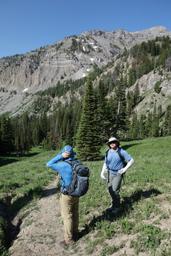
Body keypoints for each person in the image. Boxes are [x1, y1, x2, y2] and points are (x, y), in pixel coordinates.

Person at [46, 145, 79, 246]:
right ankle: (76, 233)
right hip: (77, 193)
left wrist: (60, 156)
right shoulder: (77, 163)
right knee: (75, 213)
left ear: (64, 154)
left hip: (67, 194)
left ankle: (69, 240)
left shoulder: (62, 165)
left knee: (67, 216)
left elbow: (48, 164)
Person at [101, 137, 134, 213]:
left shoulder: (121, 151)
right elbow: (105, 163)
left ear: (117, 143)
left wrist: (124, 169)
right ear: (109, 144)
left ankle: (117, 207)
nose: (112, 143)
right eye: (110, 142)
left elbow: (131, 160)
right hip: (110, 172)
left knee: (115, 190)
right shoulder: (108, 152)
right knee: (110, 189)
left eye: (114, 142)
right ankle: (113, 204)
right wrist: (102, 172)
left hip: (118, 173)